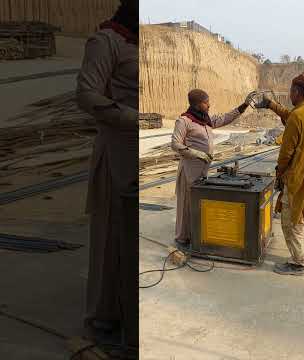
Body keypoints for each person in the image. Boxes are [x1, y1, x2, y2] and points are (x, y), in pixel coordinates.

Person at [76, 0, 139, 352]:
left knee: (131, 239)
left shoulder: (137, 45)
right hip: (116, 150)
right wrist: (130, 117)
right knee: (111, 235)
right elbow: (86, 94)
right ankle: (104, 316)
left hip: (136, 150)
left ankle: (127, 311)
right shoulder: (105, 41)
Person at [256, 71, 304, 276]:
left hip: (295, 175)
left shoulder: (298, 115)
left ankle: (297, 262)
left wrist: (280, 171)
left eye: (290, 92)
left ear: (296, 92)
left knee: (289, 219)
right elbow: (291, 116)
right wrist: (271, 105)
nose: (289, 96)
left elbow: (286, 152)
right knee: (301, 212)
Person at [171, 89, 254, 248]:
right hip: (189, 169)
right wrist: (196, 153)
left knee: (197, 202)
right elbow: (175, 144)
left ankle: (195, 234)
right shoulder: (184, 121)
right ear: (197, 104)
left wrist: (244, 105)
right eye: (206, 102)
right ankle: (182, 238)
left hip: (202, 170)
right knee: (186, 203)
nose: (209, 104)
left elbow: (225, 118)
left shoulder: (206, 120)